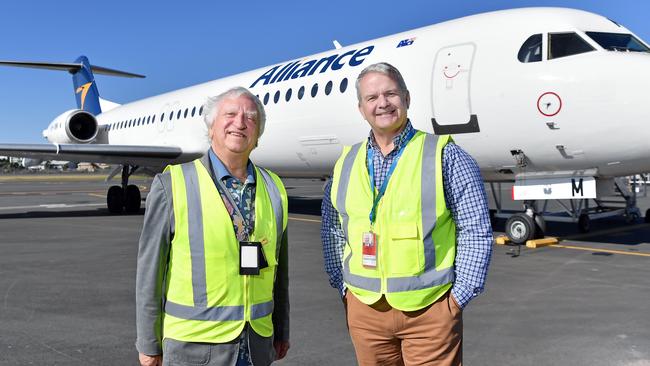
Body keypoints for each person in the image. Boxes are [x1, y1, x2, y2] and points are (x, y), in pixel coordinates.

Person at [321, 62, 493, 366]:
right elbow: (333, 228)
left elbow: (475, 229)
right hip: (365, 310)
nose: (382, 103)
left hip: (430, 310)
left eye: (390, 94)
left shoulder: (444, 154)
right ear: (361, 108)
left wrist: (457, 299)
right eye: (372, 98)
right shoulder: (346, 162)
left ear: (407, 99)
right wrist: (344, 286)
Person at [136, 87, 290, 366]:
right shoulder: (173, 184)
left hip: (256, 345)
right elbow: (150, 273)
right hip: (194, 348)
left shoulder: (274, 188)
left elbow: (280, 272)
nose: (241, 122)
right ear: (211, 128)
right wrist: (148, 342)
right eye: (230, 114)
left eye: (251, 118)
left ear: (258, 134)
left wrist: (282, 329)